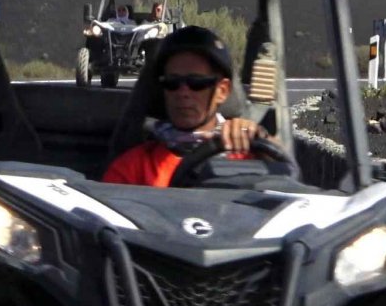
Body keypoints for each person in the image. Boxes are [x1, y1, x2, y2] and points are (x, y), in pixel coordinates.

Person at [104, 26, 271, 187]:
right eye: (172, 83)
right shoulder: (134, 168)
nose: (183, 92)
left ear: (222, 91)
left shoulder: (249, 155)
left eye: (196, 83)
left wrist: (262, 140)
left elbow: (286, 190)